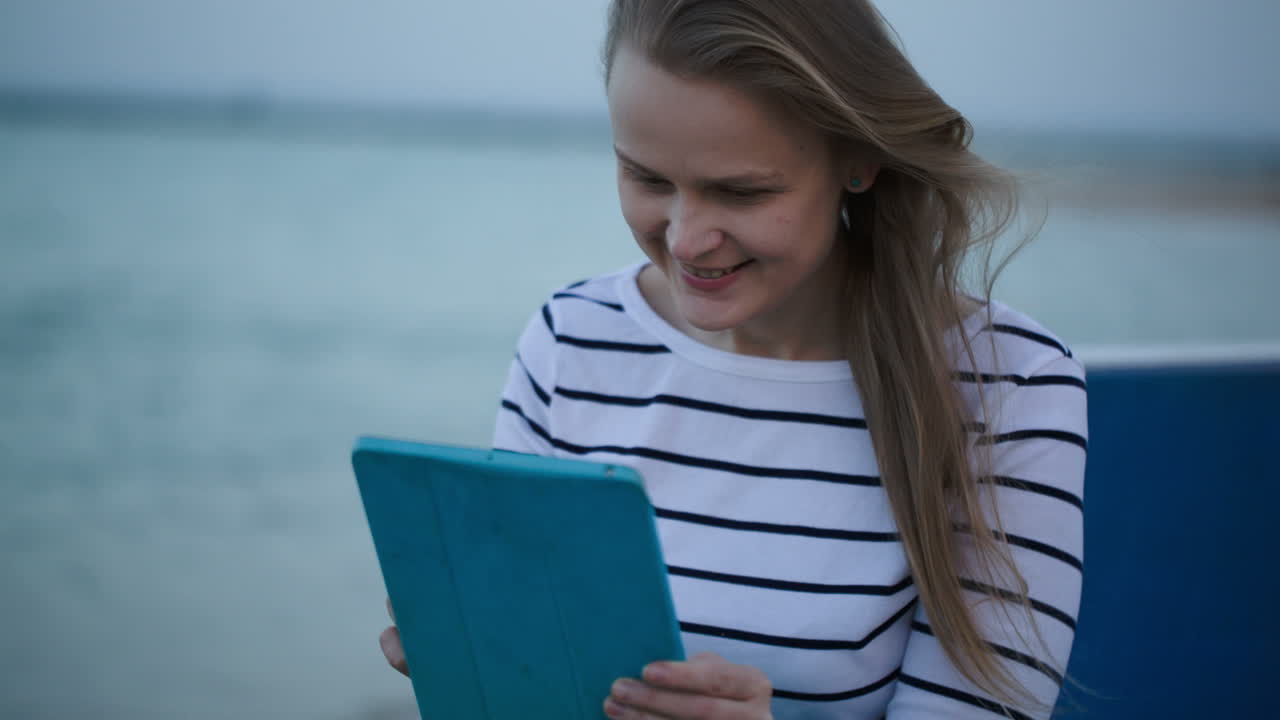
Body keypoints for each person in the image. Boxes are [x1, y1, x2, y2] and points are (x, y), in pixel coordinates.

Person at [380, 1, 1086, 718]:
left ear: (859, 162)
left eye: (741, 192)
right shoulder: (571, 340)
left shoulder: (1011, 389)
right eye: (648, 179)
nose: (686, 240)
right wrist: (484, 665)